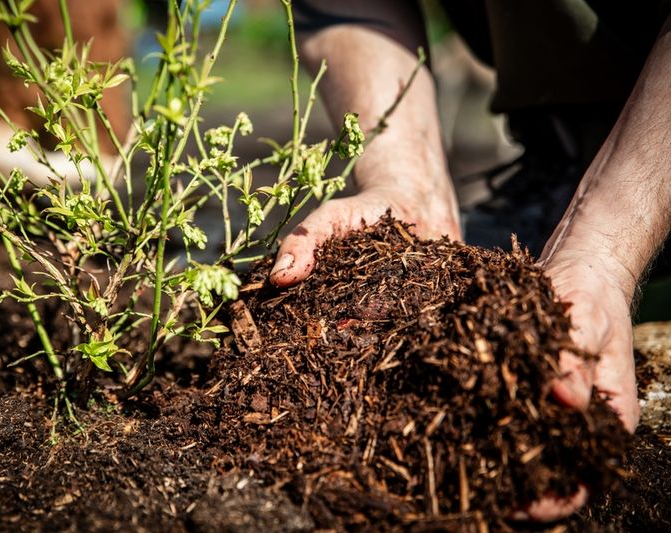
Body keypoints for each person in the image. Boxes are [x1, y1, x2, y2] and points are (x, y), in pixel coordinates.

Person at [269, 1, 671, 521]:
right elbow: (346, 6)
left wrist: (602, 248)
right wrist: (405, 179)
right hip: (555, 159)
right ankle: (566, 157)